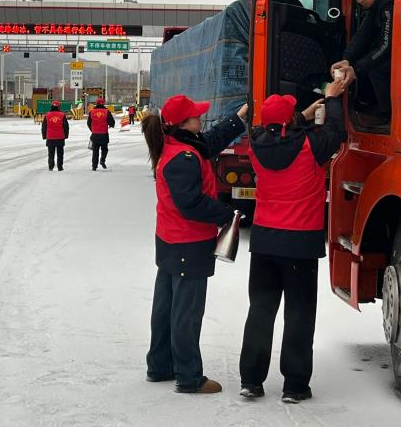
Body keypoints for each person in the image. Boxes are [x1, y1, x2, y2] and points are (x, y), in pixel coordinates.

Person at [239, 80, 345, 403]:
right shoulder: (311, 146)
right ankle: (295, 386)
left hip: (265, 243)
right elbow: (336, 132)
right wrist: (331, 98)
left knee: (261, 310)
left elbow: (279, 130)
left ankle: (252, 380)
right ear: (289, 121)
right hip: (300, 245)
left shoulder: (256, 145)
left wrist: (299, 116)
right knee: (298, 314)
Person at [142, 95, 248, 394]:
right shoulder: (183, 158)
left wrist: (238, 118)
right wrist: (228, 214)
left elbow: (209, 142)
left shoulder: (179, 145)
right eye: (196, 116)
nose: (201, 119)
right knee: (186, 312)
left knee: (166, 307)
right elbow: (191, 203)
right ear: (184, 123)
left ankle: (160, 365)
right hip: (188, 241)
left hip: (170, 240)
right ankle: (189, 376)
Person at [332, 0, 396, 127]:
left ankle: (387, 116)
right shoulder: (376, 0)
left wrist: (357, 69)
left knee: (376, 68)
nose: (360, 1)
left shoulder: (389, 1)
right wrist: (347, 59)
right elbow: (363, 34)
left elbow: (386, 45)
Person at [41, 101, 69, 171]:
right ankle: (60, 167)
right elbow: (66, 126)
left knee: (51, 153)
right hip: (60, 137)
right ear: (59, 107)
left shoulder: (47, 115)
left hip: (50, 137)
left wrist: (44, 136)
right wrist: (66, 135)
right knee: (60, 153)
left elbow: (44, 126)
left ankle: (51, 167)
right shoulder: (62, 115)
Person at [87, 99, 115, 170]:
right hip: (104, 134)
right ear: (103, 104)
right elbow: (112, 122)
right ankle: (102, 160)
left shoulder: (92, 112)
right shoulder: (106, 112)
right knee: (104, 149)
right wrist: (111, 125)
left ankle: (94, 166)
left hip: (95, 134)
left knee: (95, 150)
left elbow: (88, 123)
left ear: (96, 104)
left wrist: (92, 130)